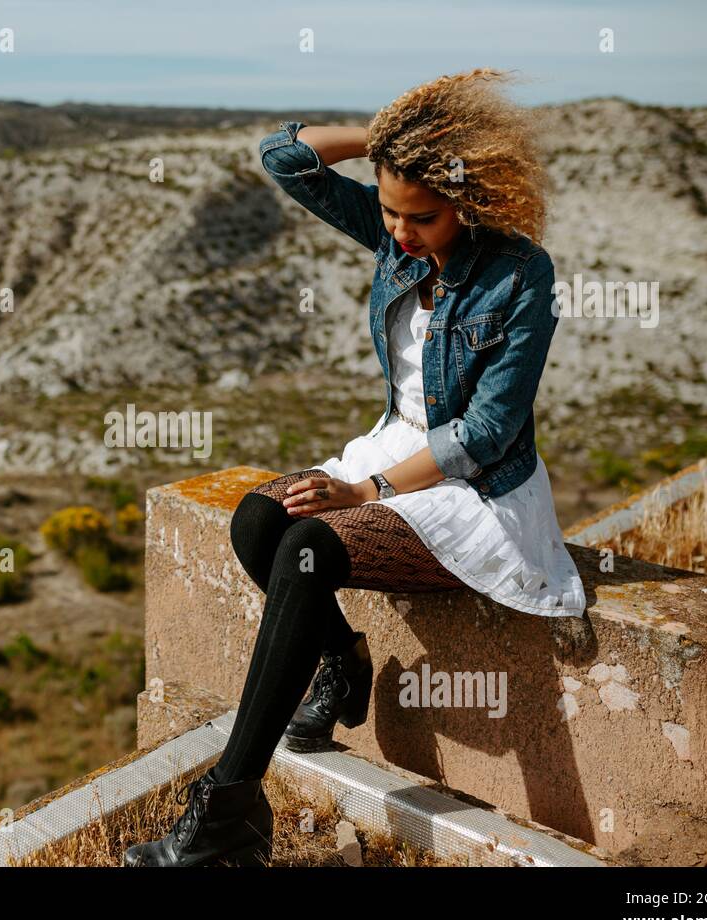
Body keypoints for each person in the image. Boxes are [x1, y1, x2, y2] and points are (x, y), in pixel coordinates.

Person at [123, 68, 587, 868]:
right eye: (388, 211)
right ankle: (342, 660)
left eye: (423, 217)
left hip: (470, 487)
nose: (401, 234)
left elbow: (486, 431)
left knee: (309, 548)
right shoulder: (395, 234)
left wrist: (362, 492)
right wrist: (392, 144)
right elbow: (284, 158)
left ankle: (230, 809)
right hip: (391, 444)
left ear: (468, 198)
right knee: (258, 518)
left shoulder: (521, 275)